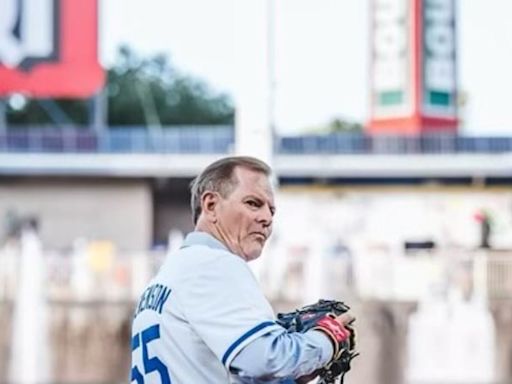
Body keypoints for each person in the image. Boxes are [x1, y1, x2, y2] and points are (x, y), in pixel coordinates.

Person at [130, 156, 355, 383]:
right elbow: (267, 360)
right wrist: (326, 338)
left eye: (272, 211)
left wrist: (294, 377)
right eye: (253, 203)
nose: (267, 218)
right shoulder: (214, 264)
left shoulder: (168, 274)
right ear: (210, 205)